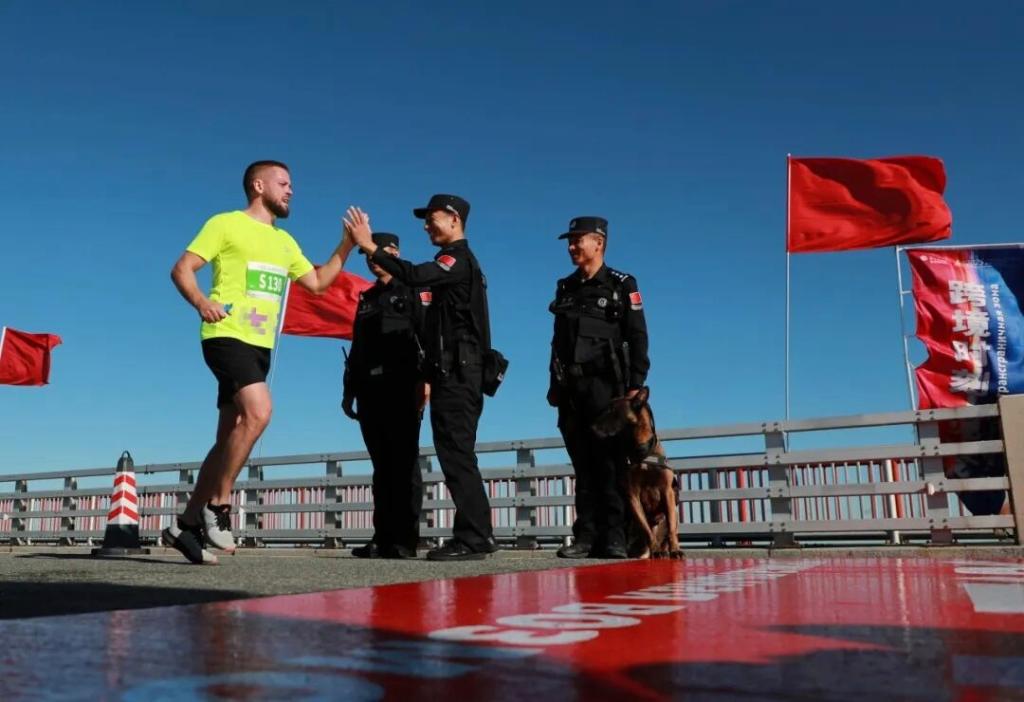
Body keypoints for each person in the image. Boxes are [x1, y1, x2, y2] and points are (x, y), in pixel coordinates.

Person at [165, 160, 353, 564]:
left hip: (259, 346)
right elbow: (182, 269)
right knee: (260, 412)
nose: (290, 190)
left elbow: (318, 283)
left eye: (291, 185)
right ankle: (219, 505)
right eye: (283, 183)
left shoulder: (285, 242)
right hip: (226, 334)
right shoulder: (226, 224)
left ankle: (184, 525)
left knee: (228, 438)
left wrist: (347, 244)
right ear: (258, 185)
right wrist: (202, 302)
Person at [344, 195, 498, 561]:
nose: (427, 226)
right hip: (443, 372)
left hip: (458, 372)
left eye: (432, 218)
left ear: (454, 219)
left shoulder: (456, 260)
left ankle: (474, 537)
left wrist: (368, 244)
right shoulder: (444, 264)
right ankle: (458, 536)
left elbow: (415, 279)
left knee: (456, 455)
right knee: (445, 454)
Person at [547, 216, 650, 559]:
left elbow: (638, 335)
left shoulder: (621, 284)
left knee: (610, 463)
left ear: (599, 243)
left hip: (608, 389)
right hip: (571, 389)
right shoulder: (566, 287)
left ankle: (615, 536)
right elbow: (557, 342)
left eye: (578, 240)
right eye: (569, 241)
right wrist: (553, 384)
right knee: (583, 464)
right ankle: (586, 536)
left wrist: (636, 385)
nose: (571, 247)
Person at [343, 232, 429, 559]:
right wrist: (349, 390)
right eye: (367, 256)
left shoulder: (412, 289)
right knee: (381, 466)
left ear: (394, 252)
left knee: (404, 463)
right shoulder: (367, 298)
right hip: (370, 389)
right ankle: (382, 537)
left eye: (376, 253)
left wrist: (426, 381)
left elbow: (425, 335)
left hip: (403, 386)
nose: (372, 260)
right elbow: (357, 347)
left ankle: (405, 539)